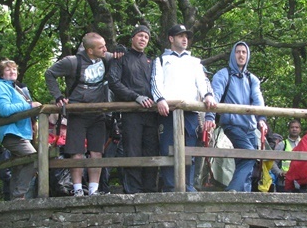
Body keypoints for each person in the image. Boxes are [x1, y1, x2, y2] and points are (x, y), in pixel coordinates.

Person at [44, 32, 116, 197]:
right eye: (101, 47)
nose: (106, 49)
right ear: (90, 50)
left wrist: (119, 50)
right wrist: (58, 96)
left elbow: (123, 57)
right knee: (77, 152)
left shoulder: (106, 57)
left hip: (98, 113)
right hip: (77, 113)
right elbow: (49, 74)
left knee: (96, 151)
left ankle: (93, 190)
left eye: (105, 45)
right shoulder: (72, 62)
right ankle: (77, 189)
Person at [151, 24, 216, 192]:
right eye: (180, 36)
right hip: (168, 111)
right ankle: (170, 187)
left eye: (186, 36)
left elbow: (203, 82)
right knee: (167, 150)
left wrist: (208, 95)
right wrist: (160, 99)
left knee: (190, 151)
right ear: (171, 39)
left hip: (191, 113)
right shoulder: (161, 60)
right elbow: (156, 82)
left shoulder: (195, 62)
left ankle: (187, 186)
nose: (185, 39)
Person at [204, 41, 266, 192]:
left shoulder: (252, 79)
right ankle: (232, 191)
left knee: (246, 163)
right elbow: (215, 96)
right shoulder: (223, 74)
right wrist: (210, 117)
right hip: (233, 125)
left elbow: (258, 99)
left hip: (250, 128)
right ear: (233, 54)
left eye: (244, 52)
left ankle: (244, 198)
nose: (241, 55)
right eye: (238, 52)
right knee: (249, 156)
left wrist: (262, 119)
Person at [108, 25, 159, 193]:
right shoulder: (121, 57)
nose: (143, 39)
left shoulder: (151, 62)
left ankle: (150, 190)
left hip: (151, 114)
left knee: (151, 150)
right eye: (140, 35)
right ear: (133, 38)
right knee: (132, 151)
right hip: (130, 113)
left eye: (146, 37)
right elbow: (114, 82)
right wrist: (135, 97)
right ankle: (133, 191)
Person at [0, 59, 42, 200]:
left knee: (20, 165)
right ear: (1, 74)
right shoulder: (1, 86)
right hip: (11, 132)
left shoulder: (15, 87)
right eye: (8, 70)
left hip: (20, 132)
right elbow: (4, 109)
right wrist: (29, 106)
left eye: (14, 69)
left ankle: (14, 198)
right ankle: (19, 196)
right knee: (34, 159)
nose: (12, 71)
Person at [269, 119, 302, 191]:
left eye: (297, 127)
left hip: (301, 183)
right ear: (289, 129)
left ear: (300, 130)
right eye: (292, 127)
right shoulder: (282, 145)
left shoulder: (305, 144)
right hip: (284, 183)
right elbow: (272, 162)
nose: (294, 129)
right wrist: (279, 173)